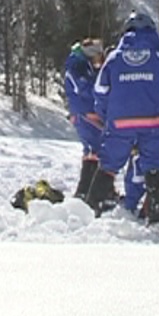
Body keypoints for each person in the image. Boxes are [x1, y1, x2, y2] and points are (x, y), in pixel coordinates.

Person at [84, 11, 159, 225]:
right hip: (154, 121)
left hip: (120, 123)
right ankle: (156, 218)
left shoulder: (114, 58)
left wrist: (107, 117)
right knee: (154, 167)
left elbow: (100, 91)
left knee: (109, 166)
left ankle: (90, 211)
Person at [63, 38, 105, 201]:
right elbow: (84, 88)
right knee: (95, 149)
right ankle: (88, 190)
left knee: (93, 149)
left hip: (88, 113)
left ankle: (88, 189)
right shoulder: (76, 67)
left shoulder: (83, 65)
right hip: (84, 114)